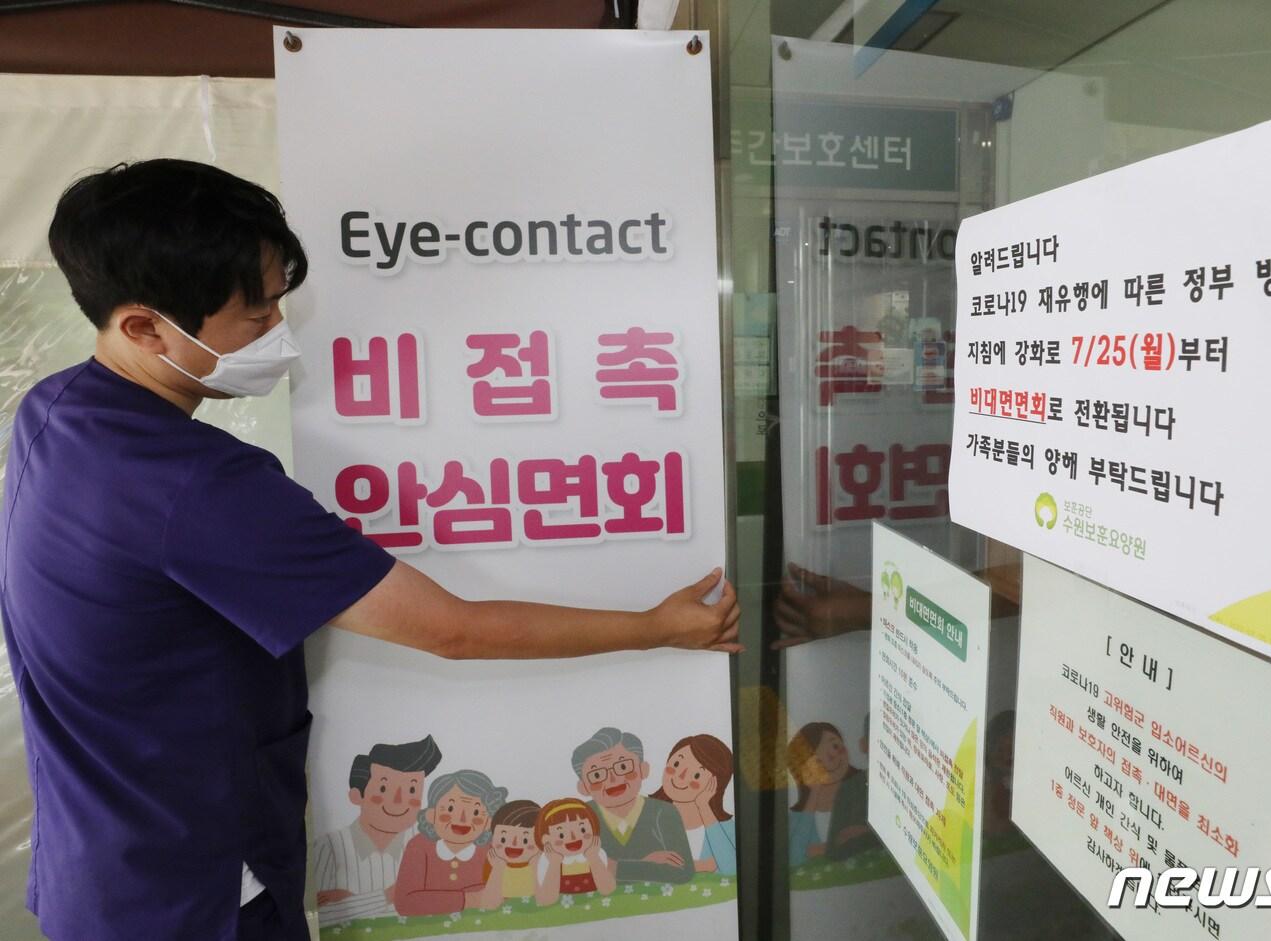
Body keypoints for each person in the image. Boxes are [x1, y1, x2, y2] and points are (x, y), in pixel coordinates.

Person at [0, 159, 741, 941]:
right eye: (257, 316)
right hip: (198, 894)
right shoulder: (200, 487)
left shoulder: (56, 410)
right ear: (145, 327)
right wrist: (657, 626)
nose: (279, 330)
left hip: (99, 872)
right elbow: (452, 629)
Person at [314, 734, 443, 925]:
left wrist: (352, 902)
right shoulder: (328, 848)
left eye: (412, 790)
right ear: (357, 795)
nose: (400, 801)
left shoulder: (427, 843)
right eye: (384, 789)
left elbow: (441, 896)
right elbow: (318, 917)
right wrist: (390, 895)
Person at [572, 726, 695, 884]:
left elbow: (683, 872)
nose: (613, 779)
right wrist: (644, 865)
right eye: (597, 775)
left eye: (623, 767)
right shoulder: (579, 817)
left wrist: (611, 867)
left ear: (643, 770)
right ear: (583, 787)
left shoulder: (664, 812)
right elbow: (575, 871)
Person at [394, 769, 508, 916]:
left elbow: (503, 891)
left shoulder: (492, 849)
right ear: (431, 815)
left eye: (475, 812)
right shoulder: (419, 846)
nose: (462, 819)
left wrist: (433, 897)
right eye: (450, 808)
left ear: (489, 822)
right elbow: (405, 903)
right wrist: (471, 899)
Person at [786, 722, 876, 866]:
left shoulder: (863, 793)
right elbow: (795, 857)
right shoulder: (798, 817)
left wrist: (825, 849)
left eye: (835, 746)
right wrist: (813, 793)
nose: (832, 757)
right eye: (817, 759)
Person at [650, 734, 738, 875]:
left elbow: (732, 870)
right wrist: (699, 866)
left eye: (697, 775)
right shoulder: (649, 817)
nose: (680, 776)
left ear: (715, 784)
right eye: (676, 764)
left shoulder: (724, 828)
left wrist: (704, 807)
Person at [534, 798, 615, 904]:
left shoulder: (596, 853)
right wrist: (554, 863)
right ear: (546, 839)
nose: (573, 837)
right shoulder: (547, 860)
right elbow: (548, 899)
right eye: (561, 834)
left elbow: (608, 890)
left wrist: (593, 857)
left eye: (582, 830)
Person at [483, 800, 544, 902]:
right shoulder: (494, 861)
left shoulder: (540, 860)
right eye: (503, 839)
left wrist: (535, 866)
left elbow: (542, 899)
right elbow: (489, 903)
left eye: (525, 840)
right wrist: (497, 868)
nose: (514, 844)